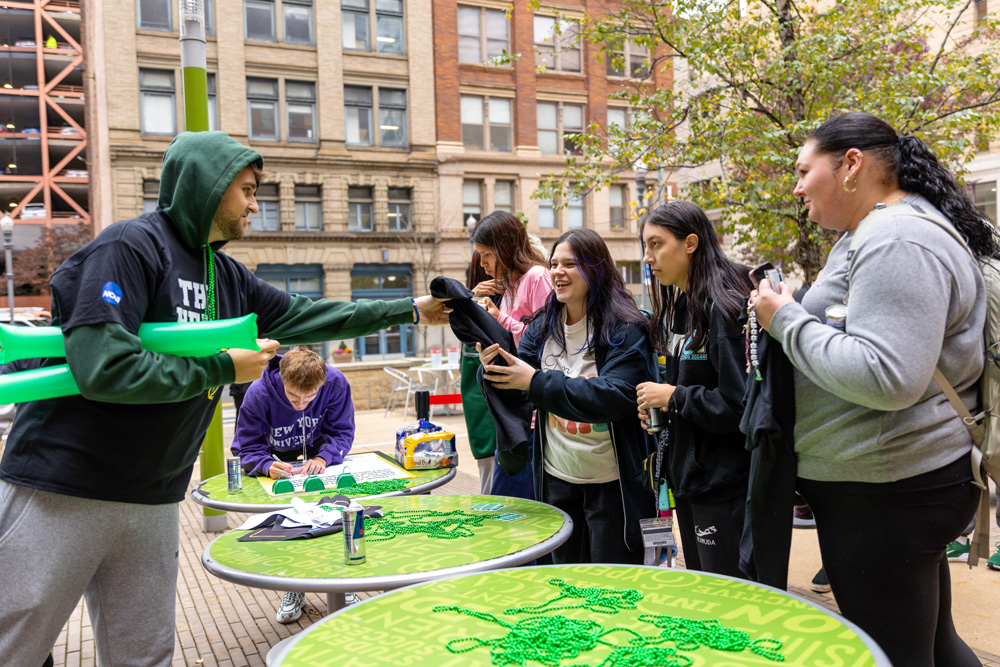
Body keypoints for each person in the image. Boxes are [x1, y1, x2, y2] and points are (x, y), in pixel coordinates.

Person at [0, 131, 448, 667]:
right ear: (208, 187)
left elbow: (310, 314)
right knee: (15, 647)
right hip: (61, 484)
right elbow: (105, 369)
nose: (255, 205)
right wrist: (223, 367)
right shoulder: (129, 247)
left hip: (153, 498)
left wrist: (410, 309)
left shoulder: (226, 277)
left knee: (143, 657)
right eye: (247, 191)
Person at [753, 112, 996, 667]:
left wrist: (784, 318)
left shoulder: (897, 238)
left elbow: (888, 376)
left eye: (804, 171)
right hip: (891, 483)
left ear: (851, 164)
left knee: (892, 654)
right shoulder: (880, 231)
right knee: (933, 646)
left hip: (887, 490)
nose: (796, 188)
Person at [478, 228, 656, 563]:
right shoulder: (542, 326)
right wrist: (493, 368)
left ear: (596, 269)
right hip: (557, 480)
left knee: (611, 581)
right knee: (566, 578)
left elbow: (616, 395)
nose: (558, 272)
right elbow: (519, 390)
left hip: (613, 485)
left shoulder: (626, 328)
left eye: (570, 264)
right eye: (554, 264)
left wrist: (535, 381)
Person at [634, 201, 753, 578]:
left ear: (690, 243)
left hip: (722, 484)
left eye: (656, 244)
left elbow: (739, 406)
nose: (647, 257)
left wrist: (673, 397)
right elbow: (691, 386)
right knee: (705, 588)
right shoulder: (683, 304)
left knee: (728, 593)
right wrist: (663, 405)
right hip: (689, 480)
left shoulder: (723, 306)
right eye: (645, 245)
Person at [232, 345, 355, 623]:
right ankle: (294, 585)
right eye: (293, 397)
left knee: (331, 518)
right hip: (276, 458)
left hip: (320, 455)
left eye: (310, 397)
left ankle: (341, 584)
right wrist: (264, 465)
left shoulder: (336, 383)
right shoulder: (259, 392)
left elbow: (342, 431)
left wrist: (325, 456)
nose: (301, 404)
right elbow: (245, 447)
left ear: (322, 384)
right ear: (282, 380)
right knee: (287, 525)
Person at [471, 211, 552, 498]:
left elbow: (547, 339)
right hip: (510, 414)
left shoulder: (538, 277)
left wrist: (500, 320)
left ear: (505, 248)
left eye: (487, 254)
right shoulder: (507, 286)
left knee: (523, 507)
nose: (482, 263)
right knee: (507, 505)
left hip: (533, 414)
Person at [461, 249, 502, 493]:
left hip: (491, 424)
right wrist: (471, 298)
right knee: (494, 491)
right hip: (490, 425)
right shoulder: (477, 309)